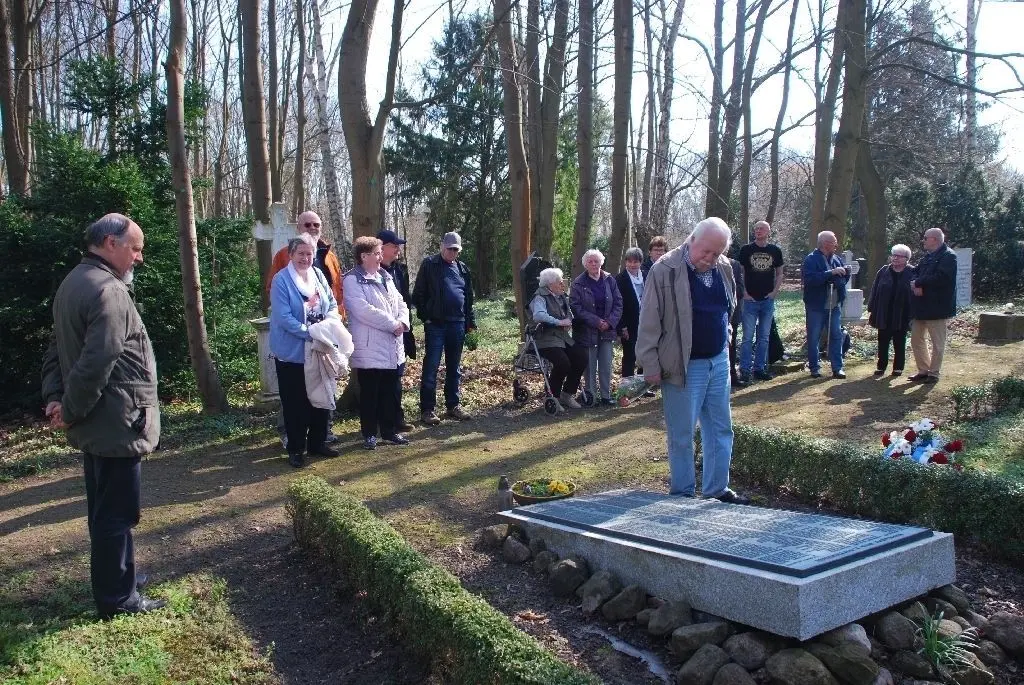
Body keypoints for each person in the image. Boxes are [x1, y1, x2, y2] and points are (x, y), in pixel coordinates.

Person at [40, 213, 167, 619]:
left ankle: (121, 578)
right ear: (110, 244)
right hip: (115, 420)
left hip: (98, 421)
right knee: (117, 513)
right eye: (135, 248)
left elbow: (55, 352)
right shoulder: (107, 290)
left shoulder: (73, 282)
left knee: (104, 509)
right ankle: (118, 599)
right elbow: (97, 361)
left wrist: (56, 398)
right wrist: (69, 409)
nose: (139, 257)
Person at [636, 217, 748, 504]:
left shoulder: (724, 266)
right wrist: (650, 365)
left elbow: (728, 307)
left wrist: (726, 335)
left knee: (721, 429)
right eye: (706, 251)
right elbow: (648, 321)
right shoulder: (664, 270)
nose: (710, 259)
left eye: (717, 252)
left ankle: (717, 489)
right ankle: (683, 493)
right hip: (683, 366)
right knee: (682, 434)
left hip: (718, 361)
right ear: (692, 239)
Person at [267, 210, 345, 446]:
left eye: (309, 254)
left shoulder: (320, 273)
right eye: (300, 254)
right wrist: (311, 333)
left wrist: (330, 325)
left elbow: (332, 301)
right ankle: (296, 448)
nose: (305, 258)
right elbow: (283, 317)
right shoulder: (282, 279)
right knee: (295, 401)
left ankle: (318, 443)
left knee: (321, 396)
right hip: (293, 350)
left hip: (319, 347)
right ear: (291, 255)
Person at [344, 237, 411, 449]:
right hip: (370, 348)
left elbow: (401, 303)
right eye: (378, 253)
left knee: (390, 392)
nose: (382, 257)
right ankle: (370, 434)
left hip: (392, 346)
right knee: (370, 394)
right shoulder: (352, 279)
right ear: (364, 256)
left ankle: (389, 432)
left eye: (381, 252)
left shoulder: (385, 276)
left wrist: (402, 321)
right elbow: (363, 311)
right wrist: (393, 324)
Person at [413, 231, 476, 425]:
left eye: (456, 249)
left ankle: (453, 405)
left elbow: (468, 298)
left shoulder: (463, 268)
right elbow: (418, 294)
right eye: (449, 248)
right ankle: (427, 409)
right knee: (431, 367)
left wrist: (470, 322)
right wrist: (427, 317)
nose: (452, 252)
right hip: (436, 325)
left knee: (454, 368)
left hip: (457, 324)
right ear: (442, 246)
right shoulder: (429, 265)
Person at [530, 267, 589, 413]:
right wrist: (559, 322)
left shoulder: (561, 296)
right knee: (563, 363)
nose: (563, 285)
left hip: (562, 338)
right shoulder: (540, 296)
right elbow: (538, 315)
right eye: (560, 282)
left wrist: (568, 321)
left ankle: (567, 394)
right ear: (550, 284)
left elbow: (569, 315)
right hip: (545, 338)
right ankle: (553, 396)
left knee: (581, 357)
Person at [571, 249, 623, 406]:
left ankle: (606, 396)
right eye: (590, 262)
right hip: (588, 331)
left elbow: (618, 303)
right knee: (590, 365)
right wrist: (596, 321)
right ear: (585, 264)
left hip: (607, 330)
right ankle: (591, 396)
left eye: (596, 261)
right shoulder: (578, 283)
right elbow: (575, 307)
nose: (593, 264)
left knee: (606, 364)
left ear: (601, 262)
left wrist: (609, 322)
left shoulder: (609, 280)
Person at [909, 228, 958, 384]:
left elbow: (942, 278)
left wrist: (919, 282)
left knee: (937, 343)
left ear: (935, 239)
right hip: (921, 307)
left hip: (937, 307)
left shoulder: (949, 256)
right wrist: (916, 283)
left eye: (925, 238)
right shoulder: (928, 257)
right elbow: (916, 272)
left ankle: (934, 373)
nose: (923, 241)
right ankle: (923, 370)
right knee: (916, 339)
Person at [737, 220, 784, 384]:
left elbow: (779, 273)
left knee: (764, 337)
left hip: (767, 301)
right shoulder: (746, 250)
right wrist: (744, 293)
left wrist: (774, 293)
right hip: (750, 301)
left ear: (768, 231)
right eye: (756, 228)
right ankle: (744, 370)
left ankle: (760, 369)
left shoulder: (775, 251)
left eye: (761, 228)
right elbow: (740, 273)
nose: (758, 231)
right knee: (747, 338)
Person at [378, 229, 415, 432]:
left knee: (396, 379)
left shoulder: (399, 270)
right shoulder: (371, 272)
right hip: (381, 335)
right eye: (395, 246)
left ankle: (396, 418)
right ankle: (382, 420)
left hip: (401, 331)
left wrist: (408, 329)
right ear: (382, 248)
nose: (398, 250)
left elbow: (405, 302)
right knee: (382, 381)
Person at [802, 231, 850, 379]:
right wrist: (830, 273)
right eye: (833, 242)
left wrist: (844, 273)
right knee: (814, 336)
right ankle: (814, 368)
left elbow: (842, 280)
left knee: (836, 335)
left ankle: (837, 368)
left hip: (834, 305)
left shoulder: (837, 259)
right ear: (825, 243)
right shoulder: (811, 260)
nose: (836, 244)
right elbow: (810, 280)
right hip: (816, 305)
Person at [867, 244, 914, 377]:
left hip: (902, 313)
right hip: (884, 312)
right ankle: (881, 366)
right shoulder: (883, 271)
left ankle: (898, 368)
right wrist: (871, 308)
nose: (895, 258)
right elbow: (875, 290)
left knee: (900, 341)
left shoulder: (912, 271)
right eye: (893, 255)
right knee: (883, 341)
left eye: (899, 256)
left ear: (906, 258)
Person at [615, 247, 646, 378]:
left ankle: (642, 387)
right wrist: (622, 327)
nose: (632, 265)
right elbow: (617, 305)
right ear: (625, 262)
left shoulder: (647, 275)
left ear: (640, 262)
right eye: (630, 261)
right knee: (630, 356)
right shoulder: (620, 279)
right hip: (629, 325)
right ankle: (626, 390)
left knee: (645, 354)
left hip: (646, 323)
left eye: (636, 261)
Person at [728, 256, 746, 388]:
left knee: (731, 346)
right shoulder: (703, 262)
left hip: (731, 314)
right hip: (709, 315)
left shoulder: (734, 265)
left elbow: (740, 290)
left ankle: (732, 376)